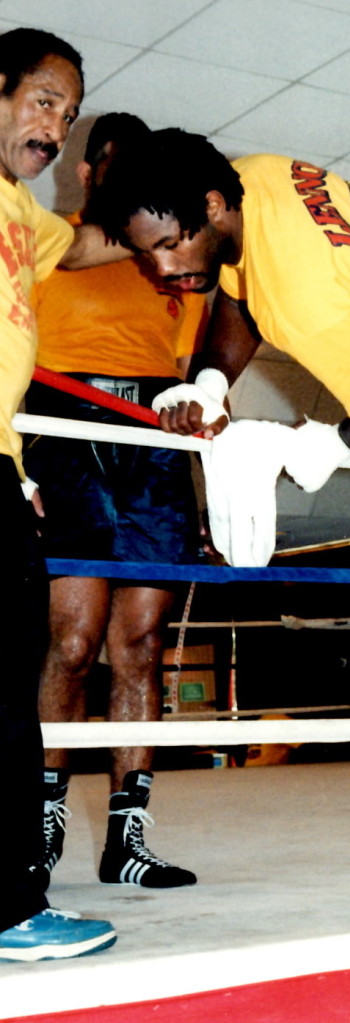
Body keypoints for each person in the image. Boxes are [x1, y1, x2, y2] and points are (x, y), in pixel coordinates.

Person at [23, 113, 205, 891]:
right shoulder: (51, 242)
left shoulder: (174, 266)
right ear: (90, 175)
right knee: (72, 639)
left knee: (140, 641)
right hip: (64, 428)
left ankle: (128, 837)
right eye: (116, 168)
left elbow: (189, 367)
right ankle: (39, 827)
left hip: (151, 442)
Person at [0, 26, 128, 960]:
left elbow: (83, 246)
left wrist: (170, 201)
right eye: (43, 100)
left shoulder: (19, 212)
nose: (55, 126)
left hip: (0, 469)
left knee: (14, 678)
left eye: (67, 113)